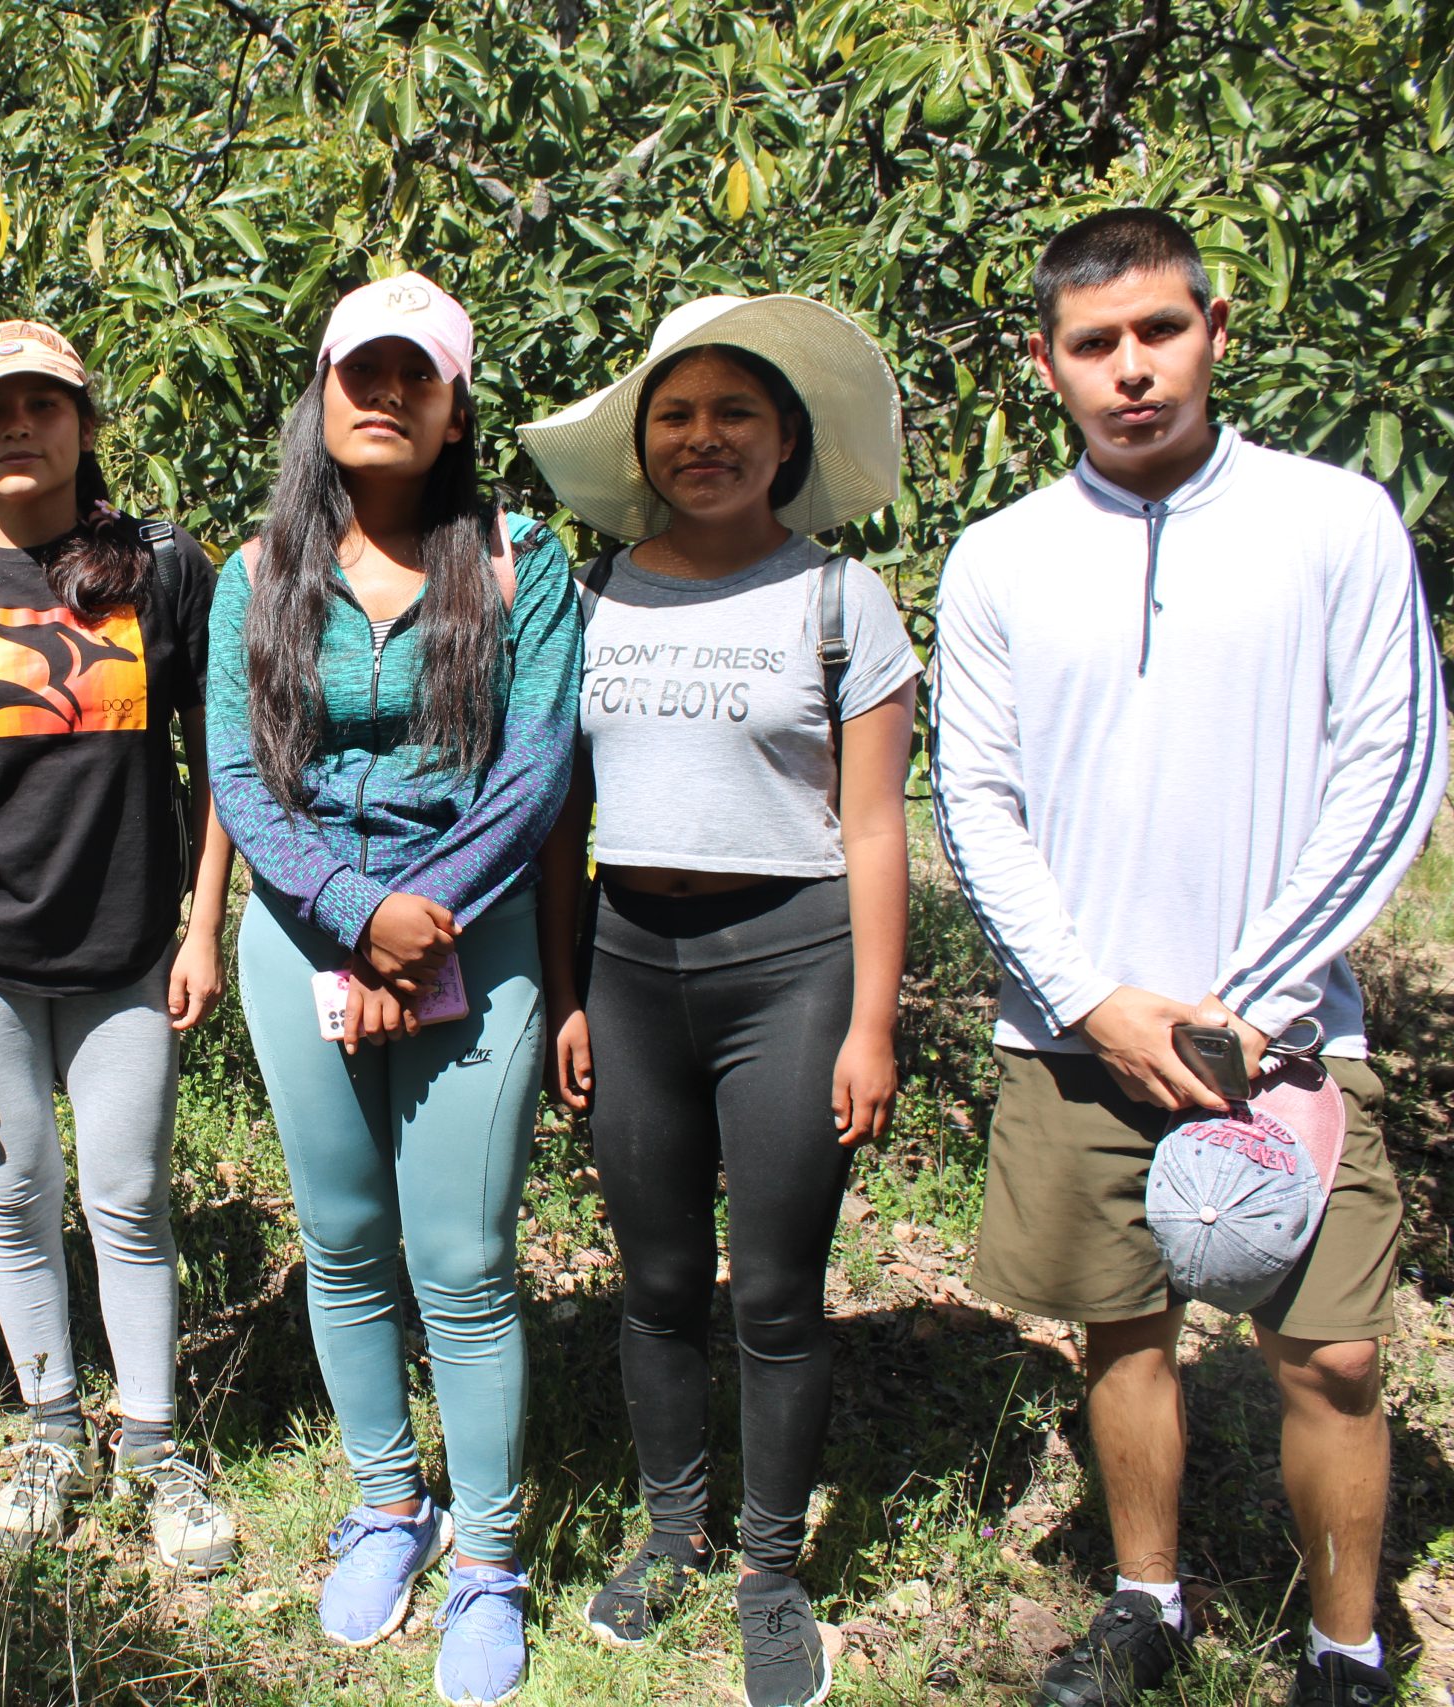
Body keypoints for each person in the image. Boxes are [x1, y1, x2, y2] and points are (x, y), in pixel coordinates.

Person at [931, 208, 1448, 1707]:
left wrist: (1256, 994)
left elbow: (1394, 761)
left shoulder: (1334, 520)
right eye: (1096, 344)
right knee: (1123, 1326)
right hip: (1077, 1030)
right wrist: (1094, 997)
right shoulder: (999, 557)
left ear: (1217, 328)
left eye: (1160, 330)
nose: (1133, 368)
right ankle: (1146, 1599)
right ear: (1047, 363)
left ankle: (1345, 1647)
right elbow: (978, 796)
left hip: (1285, 1028)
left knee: (1333, 1352)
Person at [520, 294, 919, 1707]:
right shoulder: (595, 589)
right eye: (677, 415)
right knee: (659, 1280)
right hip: (630, 964)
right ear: (645, 443)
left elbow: (877, 827)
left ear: (786, 440)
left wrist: (874, 1017)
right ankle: (673, 1524)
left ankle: (768, 1564)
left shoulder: (836, 599)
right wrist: (566, 987)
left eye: (735, 414)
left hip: (790, 966)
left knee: (781, 1289)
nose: (704, 439)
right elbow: (561, 816)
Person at [206, 273, 577, 1706]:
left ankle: (486, 1556)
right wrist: (358, 918)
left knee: (465, 1259)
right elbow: (241, 775)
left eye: (411, 375)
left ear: (453, 405)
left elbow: (537, 762)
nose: (381, 394)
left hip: (469, 936)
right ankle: (386, 1502)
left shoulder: (517, 561)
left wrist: (422, 922)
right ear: (320, 393)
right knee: (345, 1236)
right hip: (302, 931)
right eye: (357, 370)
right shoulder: (258, 573)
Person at [0, 320, 238, 1570]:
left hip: (128, 953)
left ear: (83, 421)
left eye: (43, 405)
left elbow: (216, 762)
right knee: (13, 1206)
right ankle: (51, 1430)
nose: (19, 428)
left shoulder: (167, 566)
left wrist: (201, 923)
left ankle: (156, 1448)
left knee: (128, 1202)